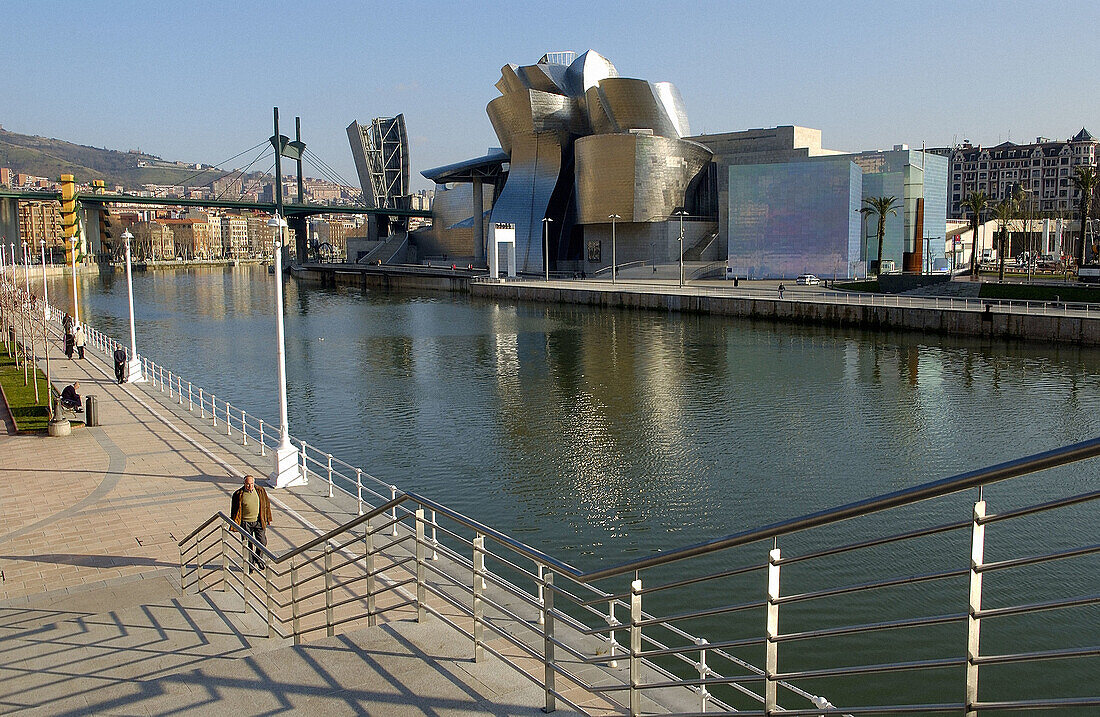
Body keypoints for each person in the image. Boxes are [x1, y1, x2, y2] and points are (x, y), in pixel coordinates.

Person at [230, 474, 272, 572]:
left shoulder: (260, 491)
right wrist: (235, 524)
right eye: (248, 484)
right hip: (245, 523)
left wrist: (267, 518)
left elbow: (266, 505)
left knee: (262, 542)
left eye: (252, 484)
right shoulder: (238, 494)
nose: (250, 486)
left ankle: (258, 558)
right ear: (244, 484)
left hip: (258, 521)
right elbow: (234, 510)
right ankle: (250, 564)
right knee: (247, 544)